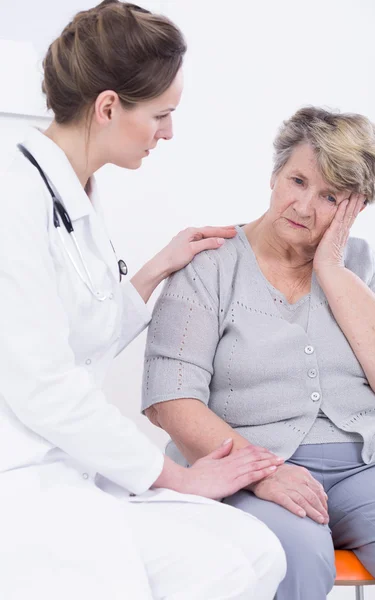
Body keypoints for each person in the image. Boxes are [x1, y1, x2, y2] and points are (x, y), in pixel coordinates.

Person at [0, 2, 287, 599]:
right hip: (20, 478)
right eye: (162, 114)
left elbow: (81, 332)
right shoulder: (14, 197)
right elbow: (45, 384)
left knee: (258, 551)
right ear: (108, 107)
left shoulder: (73, 192)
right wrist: (176, 477)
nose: (169, 132)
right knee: (210, 572)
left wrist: (159, 266)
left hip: (71, 465)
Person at [143, 106, 375, 600]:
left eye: (329, 196)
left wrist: (333, 269)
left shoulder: (362, 263)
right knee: (296, 557)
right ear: (275, 174)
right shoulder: (209, 266)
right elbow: (169, 400)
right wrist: (262, 471)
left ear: (356, 207)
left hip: (367, 466)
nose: (304, 207)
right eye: (297, 181)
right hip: (253, 466)